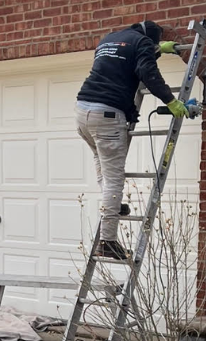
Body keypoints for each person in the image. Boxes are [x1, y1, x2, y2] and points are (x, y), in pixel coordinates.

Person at [75, 20, 188, 260]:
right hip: (107, 114)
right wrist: (171, 100)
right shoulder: (143, 42)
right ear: (151, 38)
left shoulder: (109, 38)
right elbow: (147, 72)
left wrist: (156, 50)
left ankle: (112, 209)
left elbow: (125, 58)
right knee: (115, 177)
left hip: (83, 110)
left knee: (102, 165)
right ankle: (107, 241)